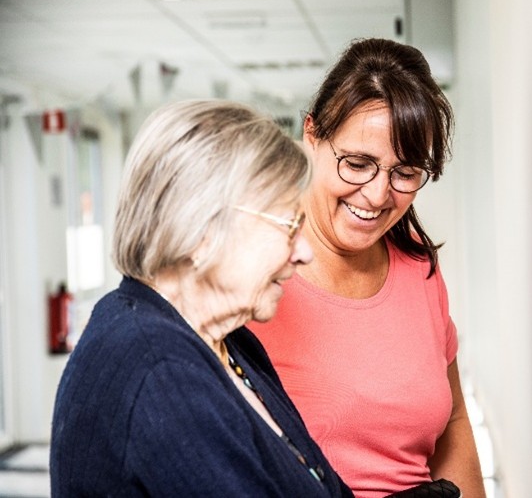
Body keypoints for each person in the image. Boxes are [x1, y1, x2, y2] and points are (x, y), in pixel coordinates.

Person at [49, 99, 353, 497]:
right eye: (290, 225)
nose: (304, 252)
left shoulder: (232, 342)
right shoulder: (159, 370)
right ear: (201, 231)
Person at [248, 38, 486, 497]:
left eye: (405, 173)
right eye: (357, 164)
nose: (378, 196)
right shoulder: (251, 269)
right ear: (312, 135)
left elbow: (453, 421)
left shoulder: (417, 264)